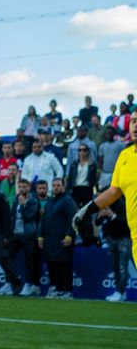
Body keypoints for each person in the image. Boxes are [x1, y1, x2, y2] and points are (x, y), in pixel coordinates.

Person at [75, 108, 137, 266]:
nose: (136, 125)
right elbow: (113, 191)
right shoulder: (125, 156)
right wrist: (88, 210)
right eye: (134, 121)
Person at [38, 178, 77, 299]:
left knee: (64, 265)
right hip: (50, 240)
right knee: (53, 264)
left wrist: (69, 235)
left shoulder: (68, 201)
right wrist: (40, 236)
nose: (56, 187)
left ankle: (67, 290)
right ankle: (56, 288)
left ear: (63, 187)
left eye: (58, 185)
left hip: (63, 239)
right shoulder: (50, 202)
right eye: (54, 185)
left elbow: (73, 219)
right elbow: (43, 220)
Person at [7, 179, 41, 296]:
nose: (21, 189)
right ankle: (9, 284)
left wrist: (22, 206)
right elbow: (12, 216)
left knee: (29, 261)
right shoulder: (16, 199)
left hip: (28, 235)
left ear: (28, 188)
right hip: (15, 234)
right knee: (8, 258)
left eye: (24, 187)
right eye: (20, 187)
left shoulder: (33, 201)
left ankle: (28, 285)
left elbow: (28, 217)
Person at [95, 195, 129, 302]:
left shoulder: (123, 204)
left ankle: (120, 292)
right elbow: (97, 223)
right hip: (112, 238)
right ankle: (119, 292)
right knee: (115, 266)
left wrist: (112, 215)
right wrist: (100, 215)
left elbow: (126, 224)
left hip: (124, 238)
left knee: (122, 267)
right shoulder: (105, 204)